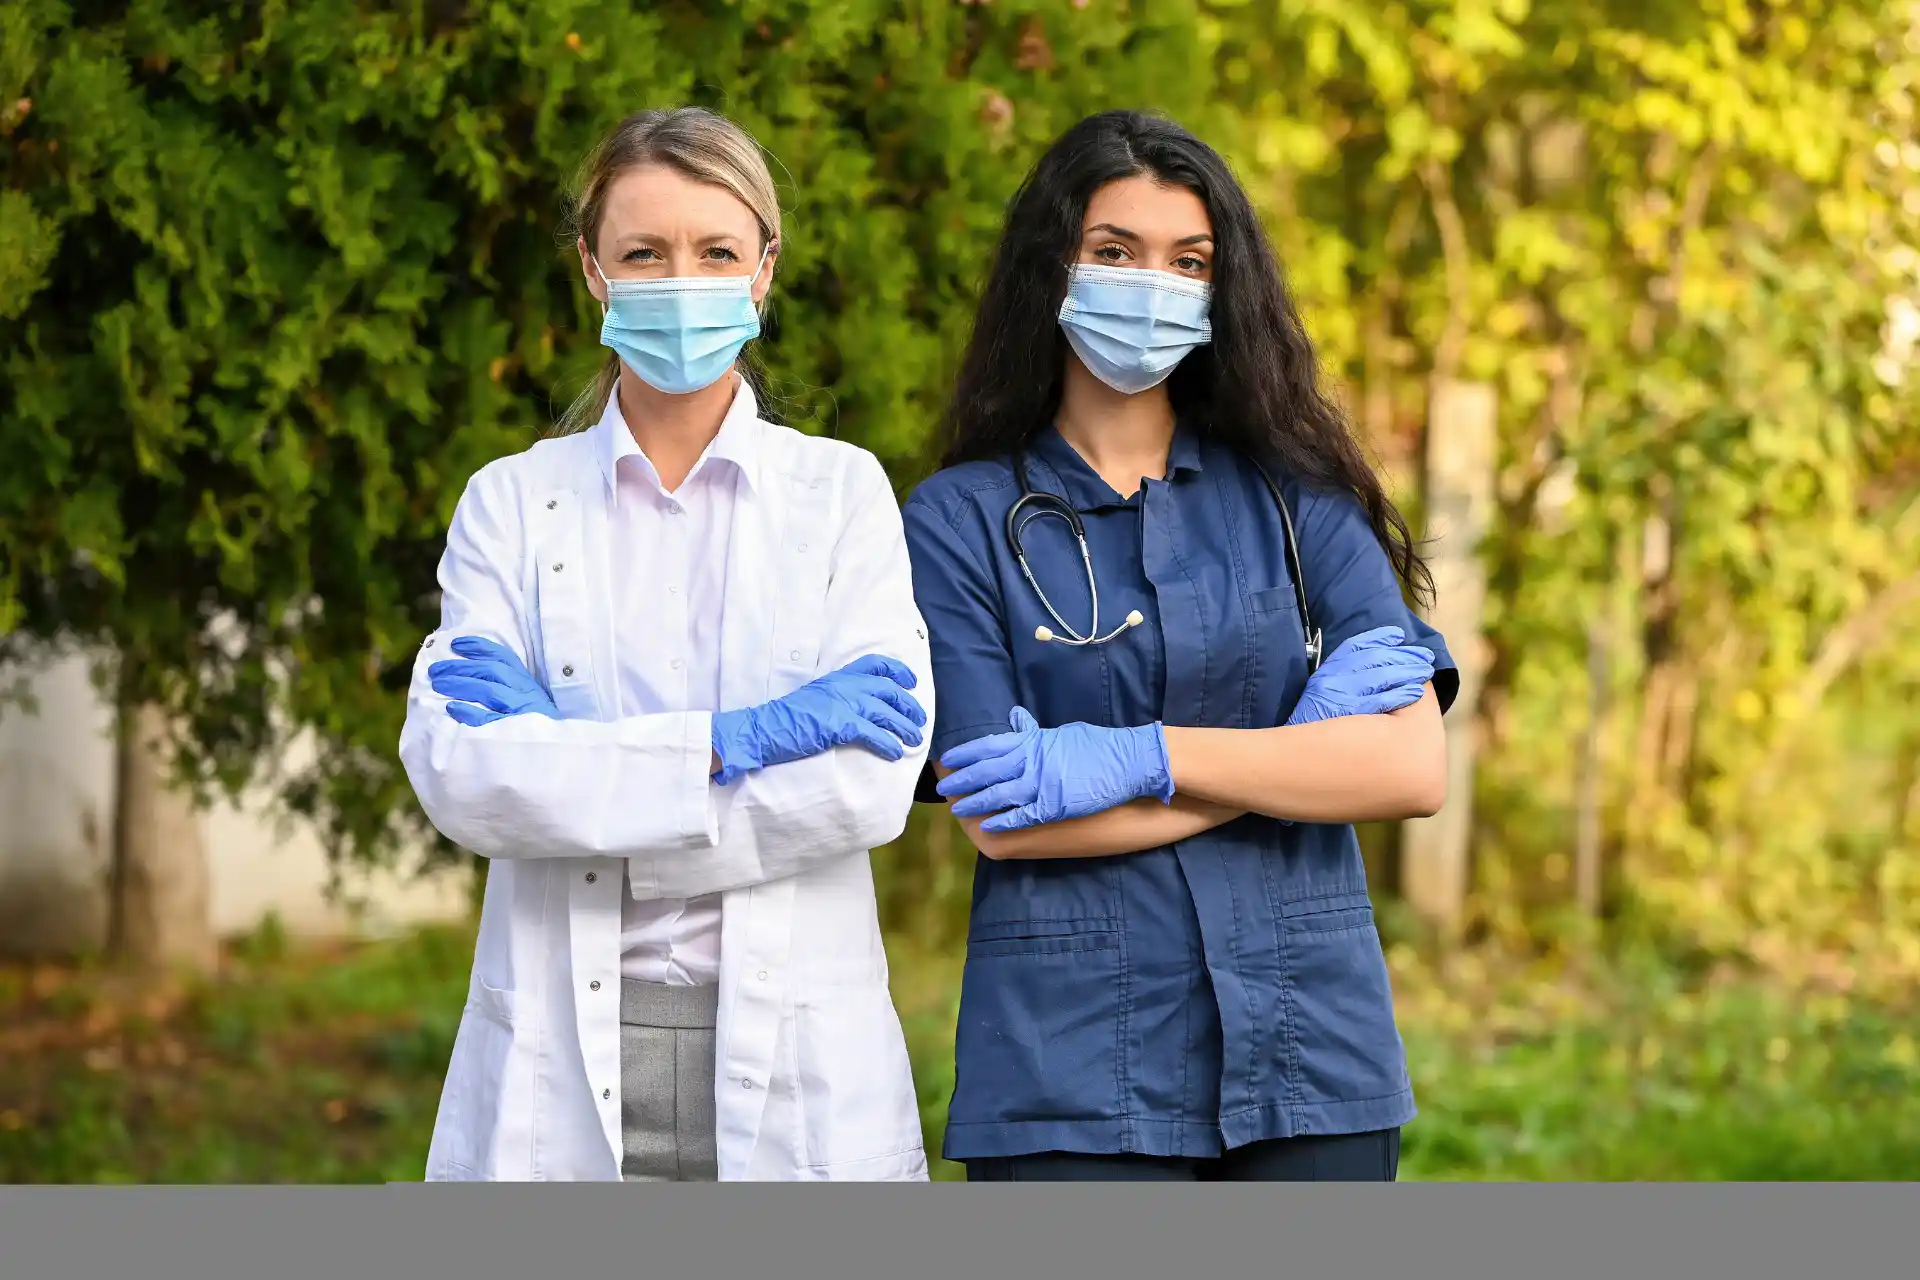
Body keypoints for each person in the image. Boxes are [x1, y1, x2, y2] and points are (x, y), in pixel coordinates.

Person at [901, 110, 1458, 1182]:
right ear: (1052, 269)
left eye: (1186, 261)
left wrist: (1144, 753)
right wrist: (1298, 753)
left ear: (1220, 290)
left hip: (1313, 1056)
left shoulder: (1304, 501)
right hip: (1068, 1078)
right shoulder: (957, 519)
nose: (1149, 283)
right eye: (1114, 251)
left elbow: (1407, 766)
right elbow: (1005, 821)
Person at [399, 108, 934, 1183]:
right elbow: (464, 775)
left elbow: (870, 789)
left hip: (800, 1064)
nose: (679, 279)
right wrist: (731, 743)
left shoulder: (841, 494)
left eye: (717, 251)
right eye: (644, 252)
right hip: (550, 1058)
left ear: (764, 271)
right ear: (594, 272)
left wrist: (576, 754)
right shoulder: (510, 503)